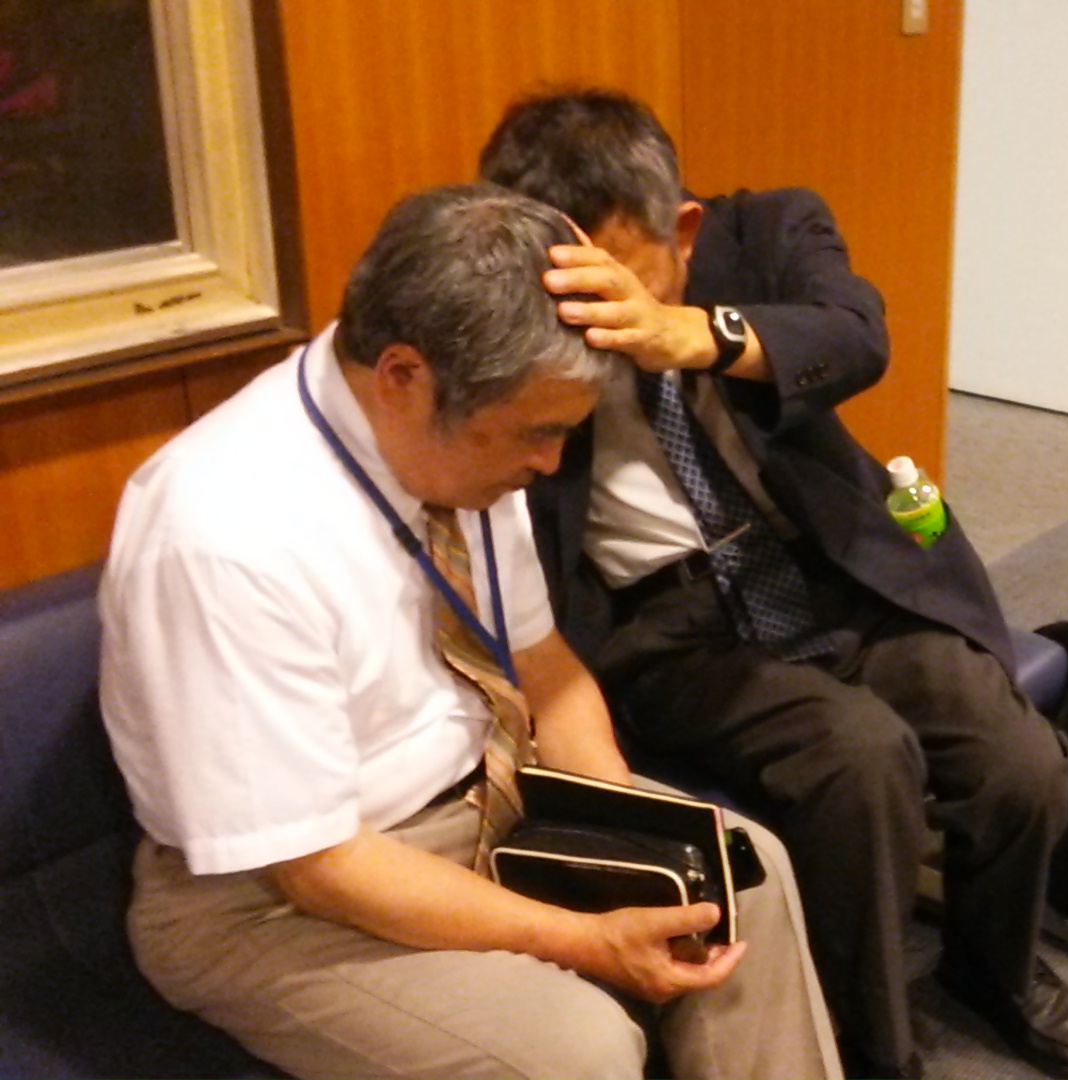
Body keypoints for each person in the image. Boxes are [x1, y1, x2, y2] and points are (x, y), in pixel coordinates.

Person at [98, 183, 840, 1080]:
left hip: (486, 795)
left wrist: (633, 834)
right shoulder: (223, 534)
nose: (549, 464)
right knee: (575, 1051)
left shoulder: (457, 449)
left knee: (742, 876)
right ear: (404, 377)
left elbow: (543, 668)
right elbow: (318, 867)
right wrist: (584, 937)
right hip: (273, 895)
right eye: (535, 432)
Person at [479, 90, 1068, 1080]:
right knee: (862, 763)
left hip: (830, 569)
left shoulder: (768, 231)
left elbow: (853, 334)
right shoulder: (517, 297)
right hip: (665, 621)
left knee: (1019, 764)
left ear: (683, 229)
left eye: (624, 281)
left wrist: (690, 333)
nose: (603, 320)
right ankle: (871, 1043)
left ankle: (997, 969)